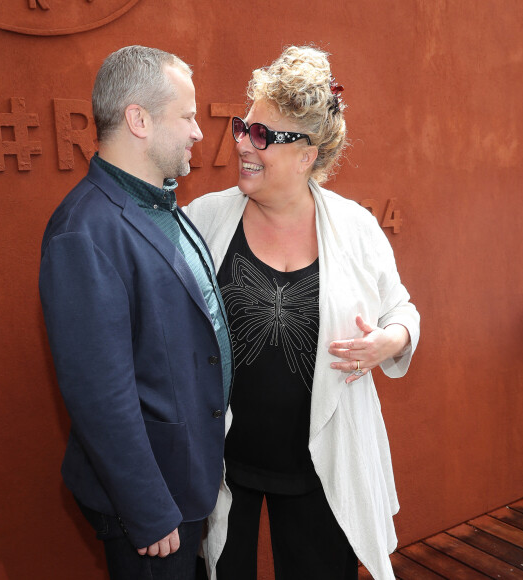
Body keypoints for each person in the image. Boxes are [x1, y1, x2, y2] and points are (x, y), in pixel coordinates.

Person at [185, 46, 420, 580]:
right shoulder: (204, 219)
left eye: (263, 136)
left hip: (322, 463)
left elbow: (402, 309)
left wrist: (393, 339)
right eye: (246, 127)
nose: (242, 143)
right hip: (223, 463)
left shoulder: (355, 228)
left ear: (307, 154)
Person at [39, 46, 232, 580]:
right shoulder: (85, 231)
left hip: (184, 482)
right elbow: (100, 394)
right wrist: (146, 509)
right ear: (139, 119)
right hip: (150, 505)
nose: (199, 132)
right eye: (188, 116)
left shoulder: (160, 203)